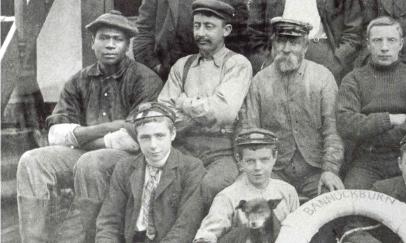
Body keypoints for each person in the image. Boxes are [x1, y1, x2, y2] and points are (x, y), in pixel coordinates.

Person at [15, 10, 162, 242]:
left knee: (91, 162)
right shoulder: (79, 80)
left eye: (118, 39)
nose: (110, 45)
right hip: (84, 154)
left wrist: (79, 136)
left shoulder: (145, 79)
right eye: (103, 38)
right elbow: (55, 133)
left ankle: (92, 238)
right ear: (92, 42)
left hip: (130, 158)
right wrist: (109, 128)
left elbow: (135, 137)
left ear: (127, 45)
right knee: (32, 161)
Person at [157, 0, 253, 206]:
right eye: (197, 26)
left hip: (222, 151)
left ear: (226, 30)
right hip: (184, 147)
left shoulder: (237, 65)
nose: (200, 33)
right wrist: (204, 109)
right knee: (166, 185)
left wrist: (182, 103)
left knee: (211, 186)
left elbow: (223, 113)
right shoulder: (181, 66)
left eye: (209, 27)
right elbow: (163, 115)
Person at [241, 17, 345, 199]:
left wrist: (330, 169)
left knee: (333, 200)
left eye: (294, 42)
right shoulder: (259, 82)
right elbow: (250, 131)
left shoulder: (322, 78)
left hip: (315, 172)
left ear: (305, 47)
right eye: (281, 41)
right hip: (274, 172)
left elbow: (333, 130)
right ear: (273, 44)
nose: (286, 49)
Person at [337, 16, 406, 190]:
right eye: (377, 40)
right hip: (366, 161)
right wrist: (390, 119)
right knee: (354, 199)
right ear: (368, 44)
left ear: (401, 44)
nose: (384, 47)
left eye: (391, 40)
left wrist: (369, 133)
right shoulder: (353, 79)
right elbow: (346, 123)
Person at [96, 102, 205, 242]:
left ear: (172, 134)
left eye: (159, 136)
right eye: (145, 137)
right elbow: (108, 222)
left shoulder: (191, 168)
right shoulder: (125, 168)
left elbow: (186, 227)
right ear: (137, 138)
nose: (153, 145)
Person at [193, 128, 299, 242]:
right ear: (239, 160)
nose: (258, 167)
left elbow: (299, 230)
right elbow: (207, 234)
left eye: (264, 160)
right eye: (250, 161)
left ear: (275, 157)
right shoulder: (228, 197)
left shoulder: (287, 192)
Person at [246, 0, 363, 82]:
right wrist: (265, 62)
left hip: (322, 55)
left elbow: (354, 31)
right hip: (278, 54)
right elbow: (254, 31)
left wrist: (336, 63)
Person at [133, 0, 252, 79]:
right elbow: (143, 32)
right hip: (167, 74)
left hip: (215, 74)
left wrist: (222, 71)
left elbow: (240, 36)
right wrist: (156, 67)